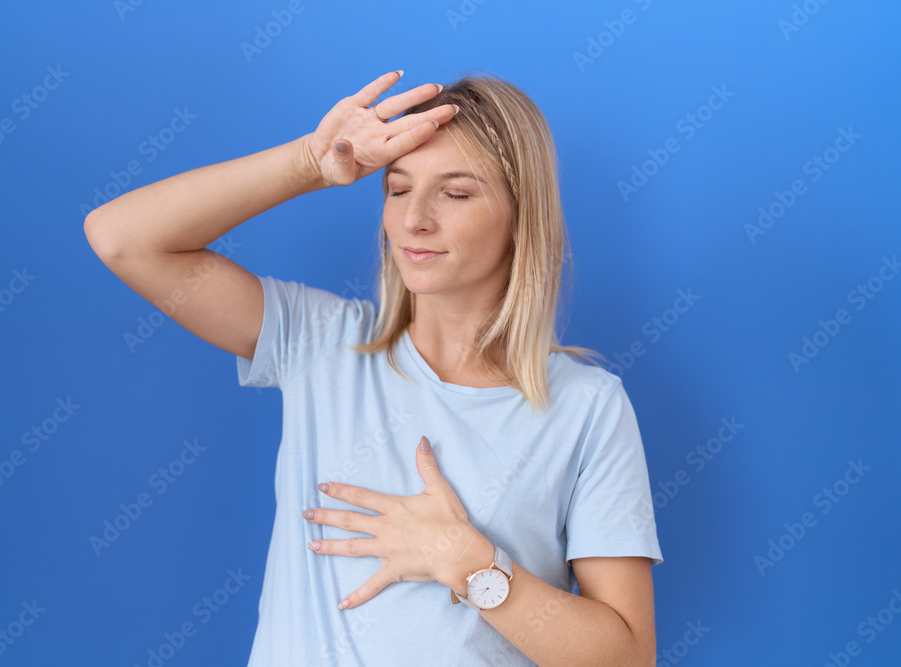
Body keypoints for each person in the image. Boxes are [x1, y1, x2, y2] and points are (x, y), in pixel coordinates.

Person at [84, 69, 662, 666]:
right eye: (398, 188)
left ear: (522, 215)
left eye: (456, 193)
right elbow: (122, 238)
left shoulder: (588, 407)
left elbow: (627, 658)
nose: (415, 219)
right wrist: (311, 160)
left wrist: (470, 563)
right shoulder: (319, 343)